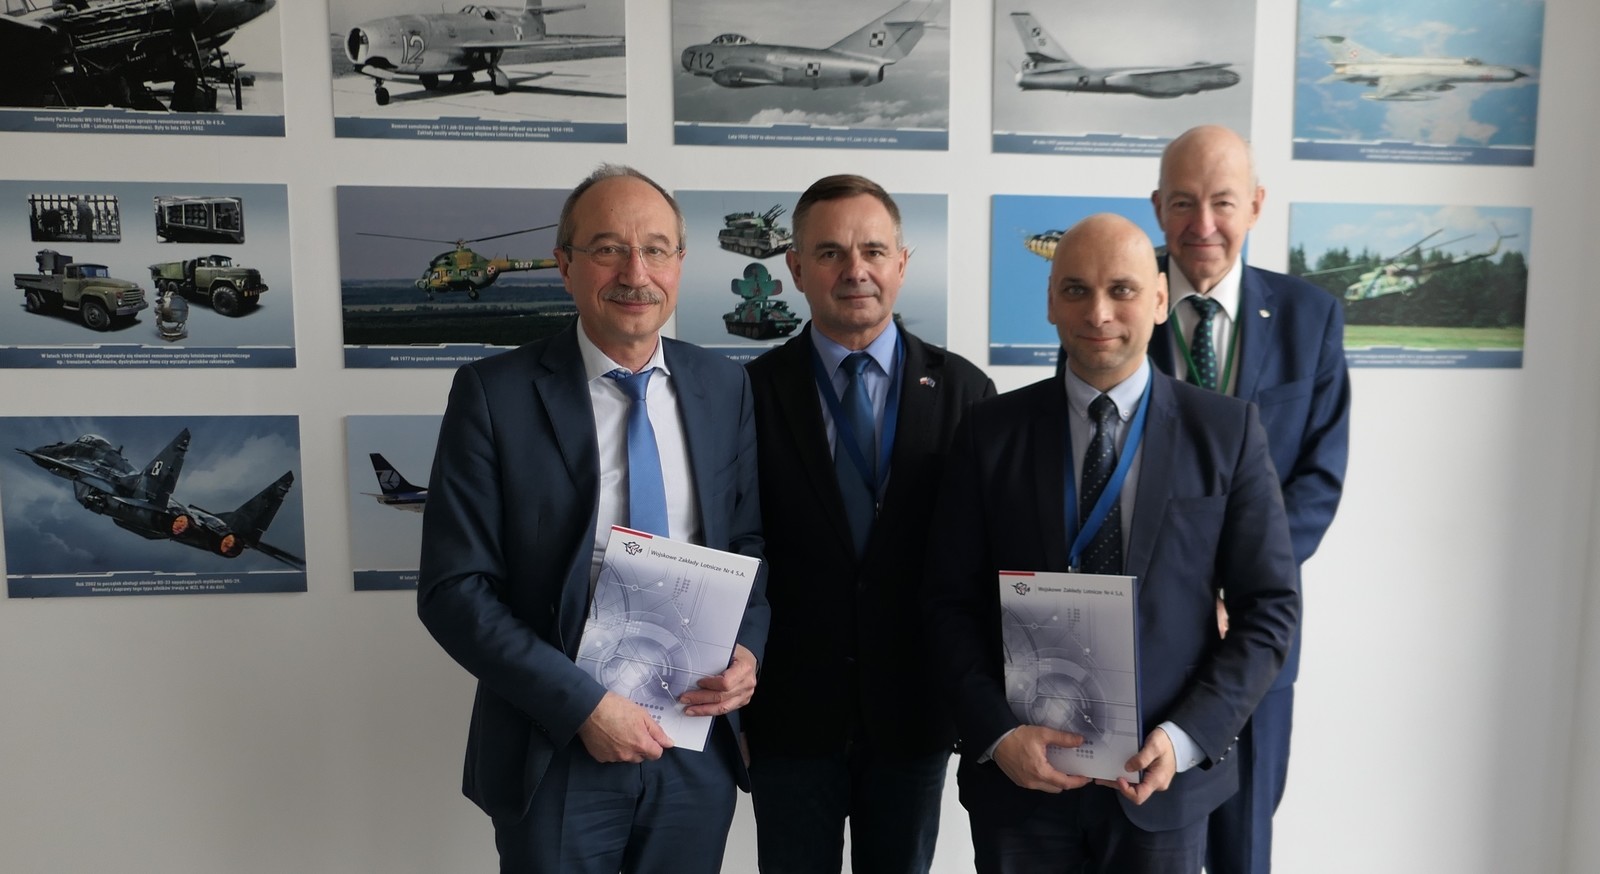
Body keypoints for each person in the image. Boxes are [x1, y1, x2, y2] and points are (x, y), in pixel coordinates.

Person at [417, 165, 769, 874]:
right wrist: (583, 708)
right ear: (564, 265)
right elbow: (454, 590)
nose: (636, 273)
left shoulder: (723, 384)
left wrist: (748, 653)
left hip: (693, 742)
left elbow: (747, 542)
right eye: (608, 249)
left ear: (679, 263)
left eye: (656, 249)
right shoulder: (494, 393)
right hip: (556, 747)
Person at [924, 214, 1299, 873]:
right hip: (1022, 785)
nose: (1098, 313)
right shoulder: (989, 433)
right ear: (1050, 301)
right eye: (1076, 289)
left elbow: (1269, 610)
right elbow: (944, 603)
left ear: (1159, 299)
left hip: (1162, 784)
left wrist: (1185, 739)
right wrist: (998, 733)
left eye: (1121, 289)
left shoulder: (1227, 433)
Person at [742, 174, 995, 873]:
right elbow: (735, 548)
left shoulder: (966, 392)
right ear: (796, 269)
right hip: (790, 716)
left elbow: (985, 557)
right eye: (830, 252)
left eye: (874, 250)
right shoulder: (751, 393)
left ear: (902, 264)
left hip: (915, 714)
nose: (855, 270)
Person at [1150, 124, 1351, 874]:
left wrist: (1239, 589)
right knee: (1146, 845)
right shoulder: (1117, 305)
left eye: (1223, 202)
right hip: (1147, 639)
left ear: (1257, 205)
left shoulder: (1310, 317)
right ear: (1157, 207)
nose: (1202, 224)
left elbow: (1319, 477)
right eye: (1183, 202)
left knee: (1245, 850)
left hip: (1257, 640)